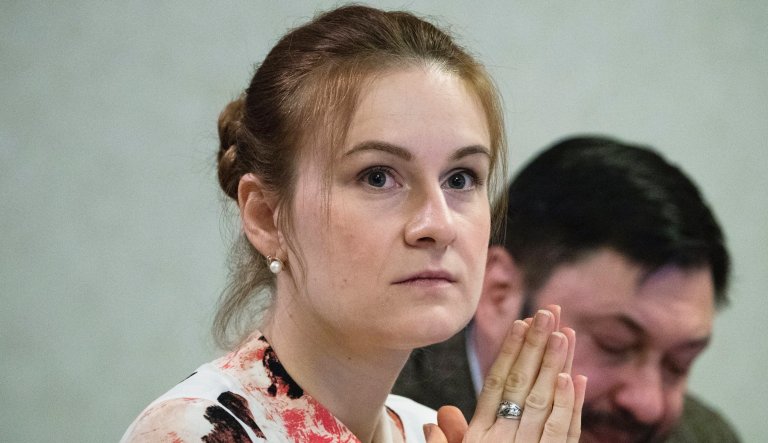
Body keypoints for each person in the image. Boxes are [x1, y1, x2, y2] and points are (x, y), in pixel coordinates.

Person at [121, 6, 586, 442]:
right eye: (378, 177)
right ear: (265, 216)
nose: (438, 225)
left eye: (460, 178)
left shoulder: (427, 428)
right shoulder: (198, 429)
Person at [394, 135, 740, 442]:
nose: (648, 404)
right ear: (499, 292)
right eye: (614, 345)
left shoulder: (705, 436)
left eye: (678, 365)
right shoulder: (375, 417)